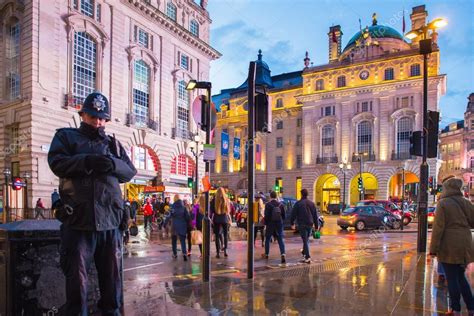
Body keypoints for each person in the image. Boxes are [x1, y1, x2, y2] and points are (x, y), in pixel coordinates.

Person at [48, 92, 137, 315]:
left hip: (110, 223)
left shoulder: (113, 144)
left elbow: (129, 171)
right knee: (76, 284)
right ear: (83, 115)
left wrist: (111, 164)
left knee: (112, 283)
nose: (97, 122)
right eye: (93, 117)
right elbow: (56, 163)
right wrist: (86, 161)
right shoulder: (66, 137)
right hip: (79, 222)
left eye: (101, 118)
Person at [430, 177, 474, 315]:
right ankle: (471, 308)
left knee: (452, 278)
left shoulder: (443, 203)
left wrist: (433, 249)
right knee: (461, 277)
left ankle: (455, 309)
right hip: (465, 242)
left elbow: (438, 228)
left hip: (449, 244)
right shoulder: (467, 203)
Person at [291, 189, 320, 264]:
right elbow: (315, 216)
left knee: (305, 240)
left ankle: (307, 257)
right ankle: (304, 252)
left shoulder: (298, 203)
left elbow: (293, 214)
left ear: (301, 194)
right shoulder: (311, 203)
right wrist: (316, 226)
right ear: (307, 194)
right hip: (310, 224)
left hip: (302, 224)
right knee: (306, 240)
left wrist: (292, 223)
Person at [263, 191, 286, 264]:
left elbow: (266, 215)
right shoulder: (281, 204)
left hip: (270, 223)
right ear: (276, 196)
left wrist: (266, 223)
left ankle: (267, 254)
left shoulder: (268, 205)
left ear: (270, 196)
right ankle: (283, 254)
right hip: (279, 223)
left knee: (268, 238)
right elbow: (284, 216)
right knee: (280, 239)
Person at [166, 194, 190, 261]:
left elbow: (168, 216)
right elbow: (187, 217)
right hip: (182, 226)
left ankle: (175, 254)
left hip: (174, 226)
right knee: (182, 241)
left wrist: (164, 224)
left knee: (174, 241)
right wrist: (188, 225)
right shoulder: (184, 208)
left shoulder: (172, 207)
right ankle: (184, 253)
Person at [211, 187, 231, 258]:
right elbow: (229, 211)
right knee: (225, 235)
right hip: (225, 219)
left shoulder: (214, 200)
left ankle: (218, 253)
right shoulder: (226, 200)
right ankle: (225, 251)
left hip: (216, 219)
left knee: (217, 236)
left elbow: (212, 211)